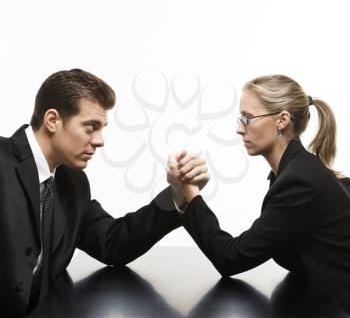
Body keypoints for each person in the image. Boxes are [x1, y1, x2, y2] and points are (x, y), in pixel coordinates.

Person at [0, 68, 209, 317]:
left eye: (101, 129)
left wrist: (178, 193)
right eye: (91, 127)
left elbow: (113, 243)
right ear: (53, 120)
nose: (100, 141)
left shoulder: (73, 184)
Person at [167, 74, 350, 314]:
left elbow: (230, 259)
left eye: (247, 118)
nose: (239, 129)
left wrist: (190, 193)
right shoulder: (295, 172)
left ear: (282, 120)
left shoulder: (300, 181)